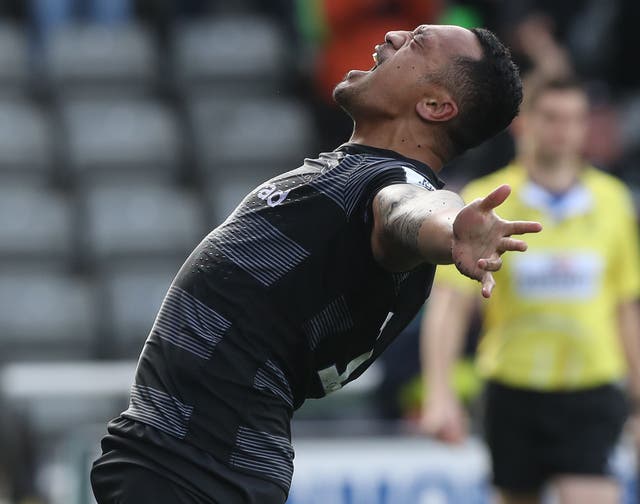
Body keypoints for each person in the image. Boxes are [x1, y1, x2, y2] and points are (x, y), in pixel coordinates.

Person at [90, 25, 542, 504]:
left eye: (417, 43)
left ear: (434, 106)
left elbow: (409, 209)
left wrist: (451, 228)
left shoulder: (392, 181)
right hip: (193, 462)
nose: (390, 36)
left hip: (196, 469)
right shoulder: (354, 170)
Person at [420, 77, 640, 504]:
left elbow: (626, 306)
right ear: (524, 124)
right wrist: (440, 394)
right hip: (512, 386)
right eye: (552, 117)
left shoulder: (611, 201)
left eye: (575, 119)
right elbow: (450, 305)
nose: (564, 130)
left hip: (591, 386)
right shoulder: (487, 200)